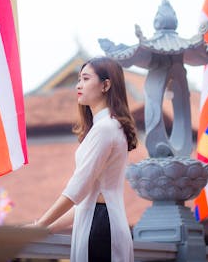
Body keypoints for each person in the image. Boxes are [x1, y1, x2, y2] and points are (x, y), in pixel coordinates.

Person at [31, 57, 138, 262]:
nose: (78, 85)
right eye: (79, 79)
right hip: (98, 220)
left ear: (106, 85)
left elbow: (77, 190)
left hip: (100, 227)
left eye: (86, 79)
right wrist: (50, 228)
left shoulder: (105, 128)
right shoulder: (106, 127)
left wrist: (39, 225)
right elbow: (86, 201)